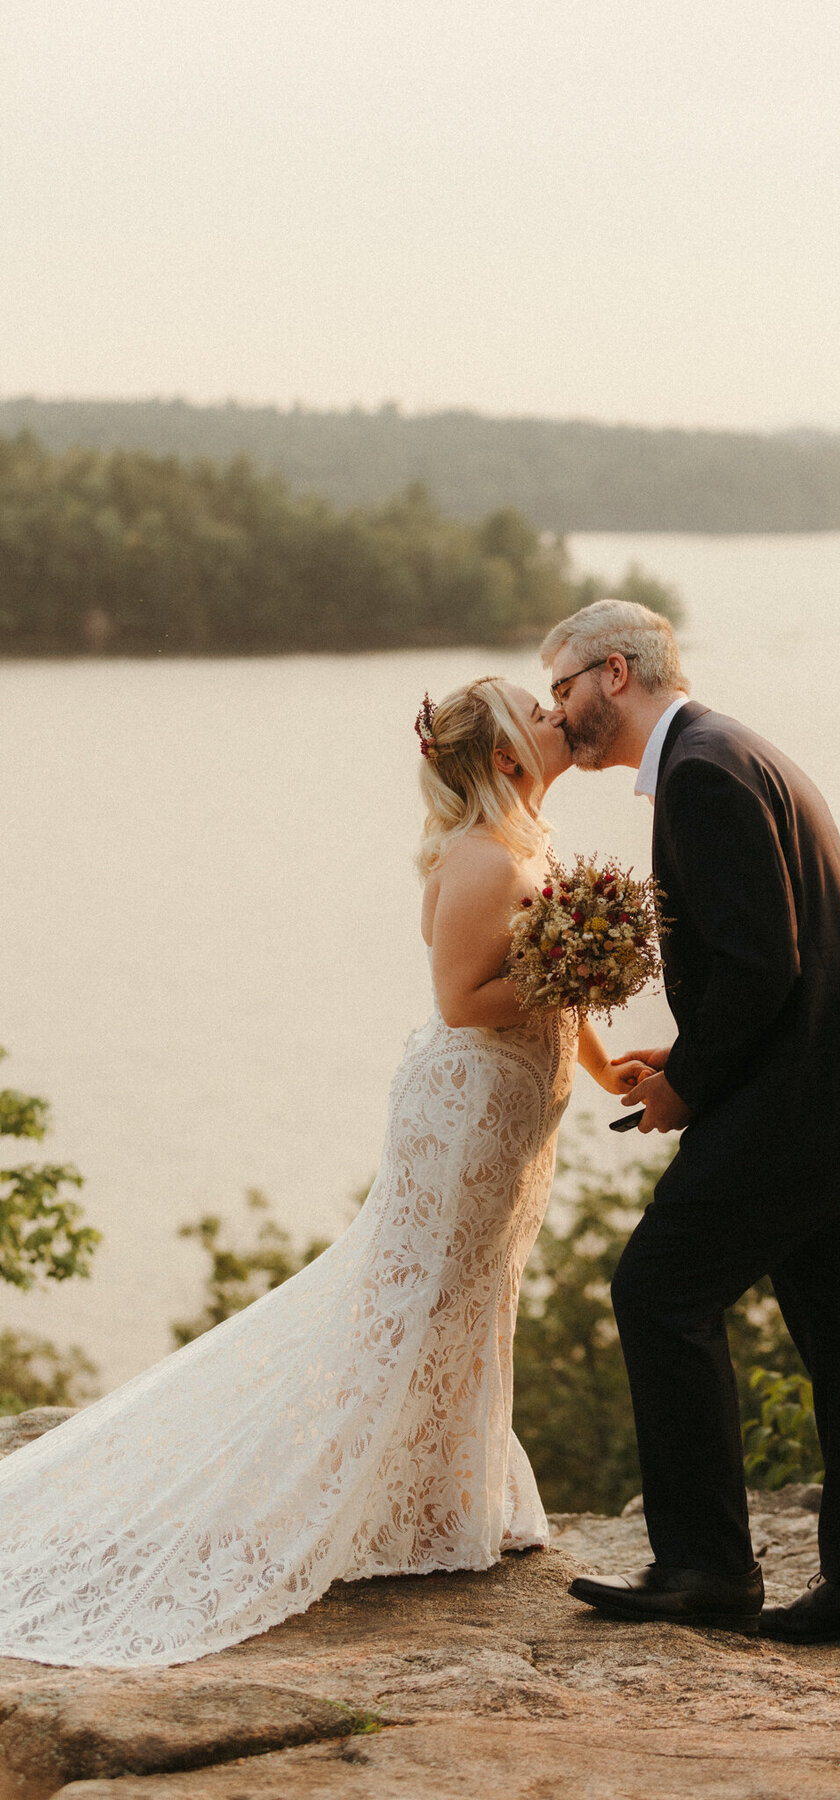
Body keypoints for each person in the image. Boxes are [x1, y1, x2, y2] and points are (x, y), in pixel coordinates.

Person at [0, 676, 648, 1669]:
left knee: (473, 1294)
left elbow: (549, 988)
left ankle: (442, 1501)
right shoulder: (482, 858)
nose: (557, 712)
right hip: (466, 1115)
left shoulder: (524, 840)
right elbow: (466, 999)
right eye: (539, 708)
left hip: (515, 1111)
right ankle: (346, 1501)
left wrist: (608, 1061)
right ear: (509, 756)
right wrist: (583, 958)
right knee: (413, 1299)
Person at [542, 601, 840, 1644]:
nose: (559, 711)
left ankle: (705, 1564)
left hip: (804, 1099)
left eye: (564, 688)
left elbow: (766, 966)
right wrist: (683, 1053)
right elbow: (775, 956)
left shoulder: (701, 772)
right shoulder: (727, 750)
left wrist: (690, 1088)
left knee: (659, 1290)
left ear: (616, 672)